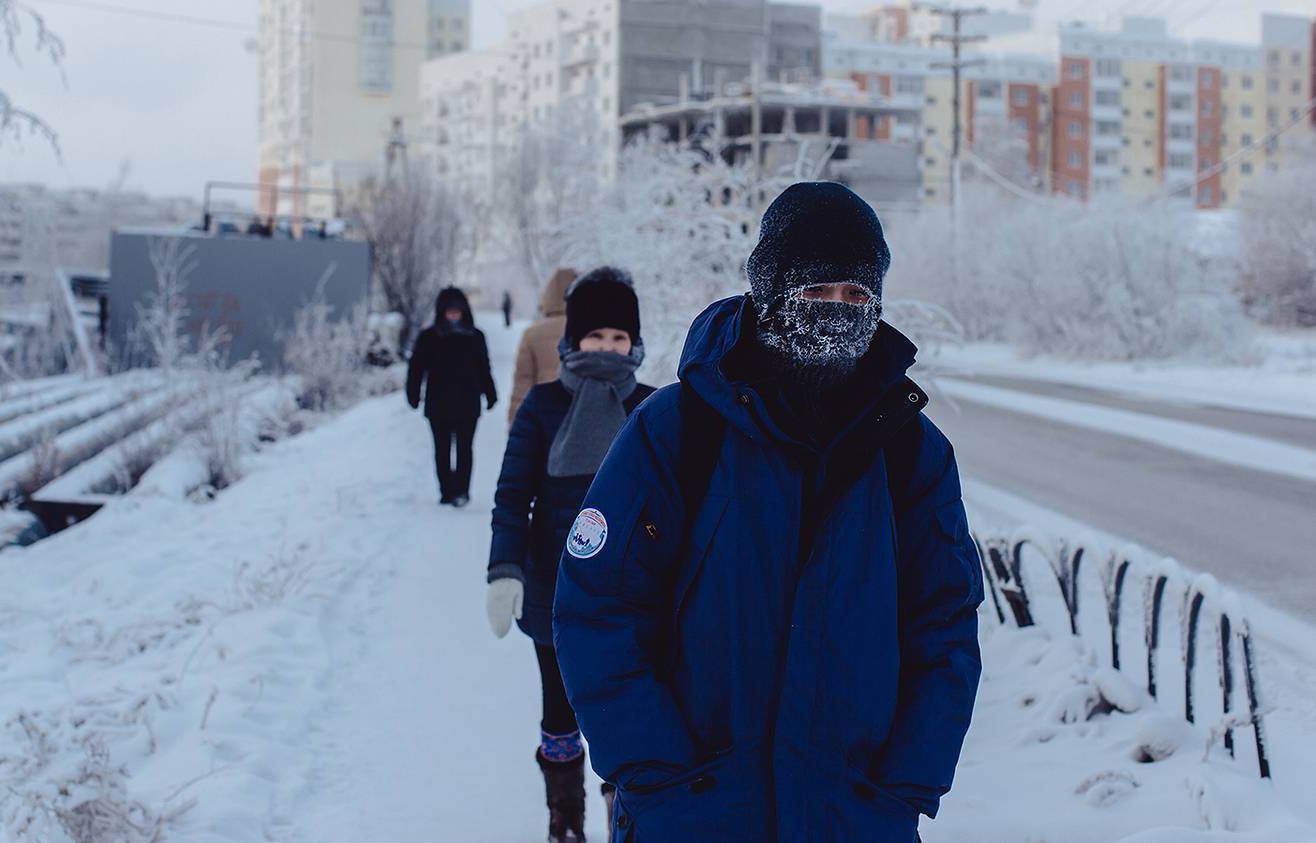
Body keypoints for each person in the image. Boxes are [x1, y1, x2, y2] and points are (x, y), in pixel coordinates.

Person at [553, 182, 985, 842]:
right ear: (770, 290)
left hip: (855, 816)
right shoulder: (678, 431)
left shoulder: (909, 452)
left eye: (859, 296)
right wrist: (661, 778)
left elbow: (945, 627)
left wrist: (903, 784)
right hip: (695, 815)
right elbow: (599, 607)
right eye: (818, 292)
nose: (839, 313)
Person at [486, 268, 655, 843]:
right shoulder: (543, 405)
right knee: (560, 714)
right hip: (553, 594)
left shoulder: (653, 407)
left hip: (636, 598)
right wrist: (503, 571)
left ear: (634, 342)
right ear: (572, 339)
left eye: (619, 337)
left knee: (625, 719)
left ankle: (623, 823)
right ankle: (565, 823)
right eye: (595, 336)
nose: (607, 347)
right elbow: (512, 496)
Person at [407, 287, 498, 507]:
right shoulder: (429, 337)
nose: (454, 316)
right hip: (438, 404)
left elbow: (484, 367)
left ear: (464, 311)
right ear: (442, 312)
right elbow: (416, 368)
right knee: (442, 449)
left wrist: (490, 393)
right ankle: (447, 490)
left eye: (457, 311)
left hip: (468, 403)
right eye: (450, 312)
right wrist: (413, 393)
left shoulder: (475, 337)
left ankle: (462, 491)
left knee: (465, 449)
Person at [508, 267, 576, 427]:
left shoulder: (532, 333)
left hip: (543, 418)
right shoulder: (592, 332)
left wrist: (515, 426)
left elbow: (522, 384)